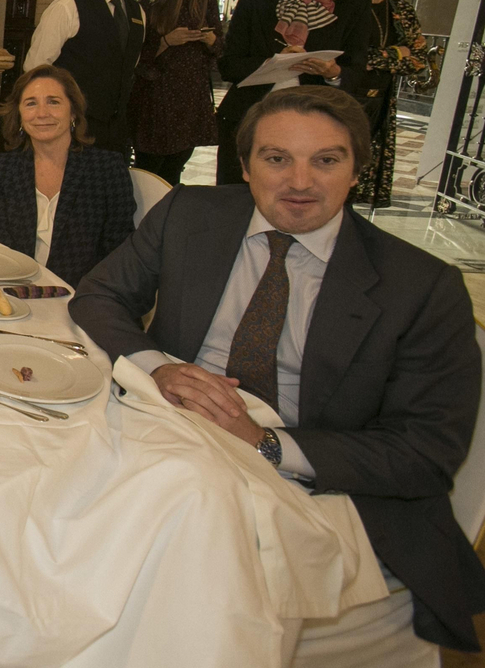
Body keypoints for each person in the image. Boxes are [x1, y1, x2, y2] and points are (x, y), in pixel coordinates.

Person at [70, 86, 485, 657]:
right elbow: (98, 296)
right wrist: (160, 369)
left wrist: (265, 443)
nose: (300, 182)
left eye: (327, 160)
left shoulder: (420, 287)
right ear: (244, 165)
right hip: (167, 430)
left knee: (183, 548)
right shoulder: (191, 214)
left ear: (358, 170)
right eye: (276, 158)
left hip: (315, 483)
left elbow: (426, 452)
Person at [216, 0, 374, 185]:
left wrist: (333, 73)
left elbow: (357, 71)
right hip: (250, 119)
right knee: (235, 201)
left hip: (317, 124)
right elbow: (228, 64)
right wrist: (271, 62)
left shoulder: (355, 5)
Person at [0, 66, 133, 287]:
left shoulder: (106, 168)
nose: (42, 113)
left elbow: (119, 249)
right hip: (15, 292)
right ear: (20, 114)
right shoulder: (0, 169)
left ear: (73, 111)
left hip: (83, 297)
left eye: (53, 102)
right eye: (31, 103)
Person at [23, 0, 146, 156]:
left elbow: (128, 68)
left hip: (116, 133)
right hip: (73, 128)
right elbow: (35, 69)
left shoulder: (137, 12)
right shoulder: (67, 7)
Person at [128, 0, 222, 185]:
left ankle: (168, 215)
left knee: (177, 164)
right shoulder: (148, 5)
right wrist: (167, 41)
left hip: (191, 96)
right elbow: (135, 59)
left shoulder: (205, 0)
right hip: (158, 99)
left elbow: (220, 49)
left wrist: (210, 39)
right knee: (150, 169)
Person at [354, 0, 428, 208]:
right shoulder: (346, 3)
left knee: (365, 170)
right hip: (346, 95)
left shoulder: (402, 11)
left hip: (381, 100)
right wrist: (397, 52)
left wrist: (377, 58)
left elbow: (418, 59)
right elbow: (350, 57)